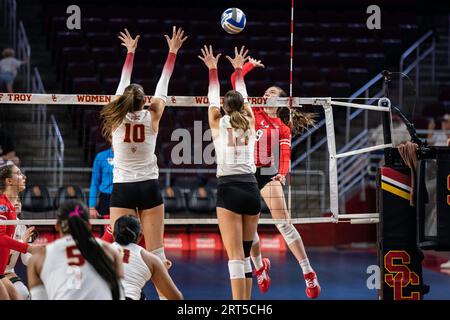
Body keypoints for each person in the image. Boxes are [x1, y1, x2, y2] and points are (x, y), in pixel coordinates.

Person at [99, 27, 186, 288]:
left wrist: (130, 53)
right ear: (144, 101)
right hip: (148, 186)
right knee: (158, 254)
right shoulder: (152, 115)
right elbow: (163, 84)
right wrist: (172, 52)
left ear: (123, 101)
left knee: (119, 252)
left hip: (123, 188)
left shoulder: (115, 117)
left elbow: (123, 81)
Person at [230, 57, 321, 298]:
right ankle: (259, 266)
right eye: (266, 91)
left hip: (269, 173)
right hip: (249, 171)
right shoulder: (253, 112)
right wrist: (246, 66)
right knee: (245, 228)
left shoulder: (282, 127)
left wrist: (282, 173)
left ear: (280, 100)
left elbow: (285, 152)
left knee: (284, 223)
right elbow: (234, 81)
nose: (268, 93)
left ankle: (308, 272)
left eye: (273, 92)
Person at [199, 45, 261, 300]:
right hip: (251, 188)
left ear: (224, 107)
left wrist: (212, 69)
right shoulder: (250, 120)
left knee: (235, 257)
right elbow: (244, 100)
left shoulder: (218, 122)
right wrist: (238, 70)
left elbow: (213, 97)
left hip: (229, 189)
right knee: (245, 253)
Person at [27, 199, 124, 300]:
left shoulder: (38, 259)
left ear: (57, 226)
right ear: (89, 225)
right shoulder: (110, 251)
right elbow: (120, 295)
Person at [112, 215, 183, 300]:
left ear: (113, 234)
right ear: (140, 236)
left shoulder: (100, 251)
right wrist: (160, 268)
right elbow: (176, 297)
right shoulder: (150, 259)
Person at [0, 164, 42, 300]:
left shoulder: (10, 208)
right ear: (9, 181)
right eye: (18, 173)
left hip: (2, 271)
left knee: (18, 297)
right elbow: (0, 238)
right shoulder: (1, 204)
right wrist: (28, 247)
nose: (23, 177)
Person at [4, 198, 37, 300]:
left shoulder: (23, 226)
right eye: (12, 199)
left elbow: (26, 260)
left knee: (23, 294)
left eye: (19, 200)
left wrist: (39, 255)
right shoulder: (2, 223)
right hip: (2, 271)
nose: (17, 202)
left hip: (8, 271)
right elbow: (3, 253)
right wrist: (22, 242)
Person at [89, 146, 114, 219]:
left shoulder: (128, 157)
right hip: (105, 199)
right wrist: (91, 206)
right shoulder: (101, 157)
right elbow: (94, 182)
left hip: (123, 198)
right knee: (105, 229)